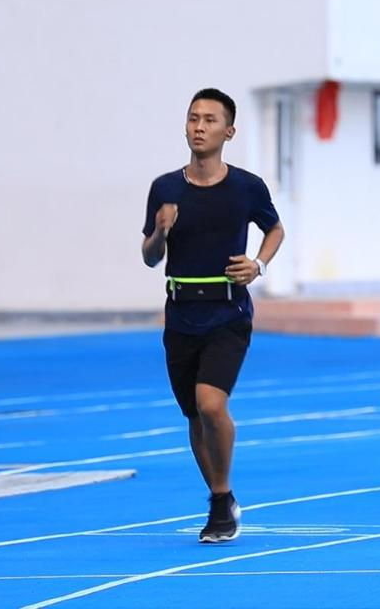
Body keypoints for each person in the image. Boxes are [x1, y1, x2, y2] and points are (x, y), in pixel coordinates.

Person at [141, 87, 285, 543]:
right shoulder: (165, 188)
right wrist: (160, 232)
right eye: (193, 118)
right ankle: (221, 497)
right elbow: (149, 256)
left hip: (228, 311)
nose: (199, 127)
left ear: (229, 131)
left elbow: (275, 229)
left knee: (211, 404)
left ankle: (221, 500)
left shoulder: (246, 187)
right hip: (181, 312)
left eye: (209, 120)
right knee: (194, 417)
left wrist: (258, 264)